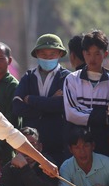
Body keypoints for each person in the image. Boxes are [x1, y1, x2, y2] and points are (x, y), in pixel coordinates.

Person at [13, 34, 71, 165]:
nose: (48, 58)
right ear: (37, 54)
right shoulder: (28, 77)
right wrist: (49, 103)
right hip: (31, 145)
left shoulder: (67, 78)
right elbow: (17, 107)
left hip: (57, 144)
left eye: (52, 54)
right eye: (44, 54)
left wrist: (31, 99)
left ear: (60, 54)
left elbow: (61, 105)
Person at [63, 30, 109, 156]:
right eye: (88, 54)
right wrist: (102, 116)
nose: (92, 59)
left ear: (105, 54)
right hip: (76, 147)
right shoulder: (71, 80)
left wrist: (85, 114)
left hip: (103, 148)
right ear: (83, 53)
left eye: (97, 54)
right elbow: (71, 114)